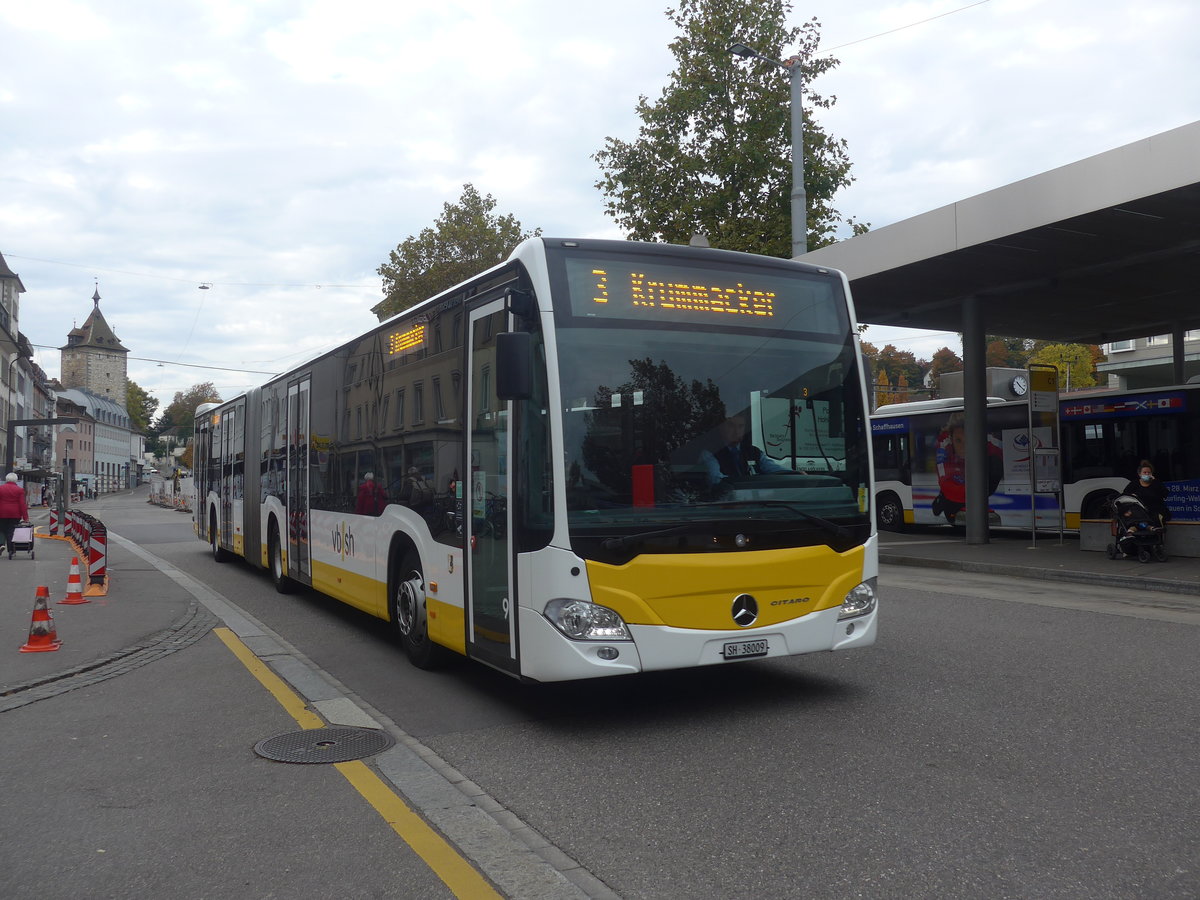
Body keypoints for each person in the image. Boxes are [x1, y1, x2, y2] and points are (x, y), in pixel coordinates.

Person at [700, 415, 784, 485]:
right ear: (721, 428)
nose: (736, 431)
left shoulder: (754, 451)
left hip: (755, 501)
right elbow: (715, 479)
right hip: (725, 501)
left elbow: (774, 469)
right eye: (731, 426)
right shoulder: (711, 452)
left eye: (740, 426)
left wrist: (795, 474)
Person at [1123, 459, 1170, 526]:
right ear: (1139, 474)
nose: (1147, 474)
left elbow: (1165, 494)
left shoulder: (1156, 483)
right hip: (1139, 512)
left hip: (1155, 511)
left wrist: (1155, 482)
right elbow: (1125, 495)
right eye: (1144, 472)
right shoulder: (1134, 484)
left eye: (1149, 472)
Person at [0, 473, 30, 559]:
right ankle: (11, 550)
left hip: (1, 513)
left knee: (1, 529)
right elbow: (22, 504)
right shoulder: (19, 490)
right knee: (10, 531)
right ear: (16, 480)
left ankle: (1, 545)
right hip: (15, 514)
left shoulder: (0, 489)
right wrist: (25, 517)